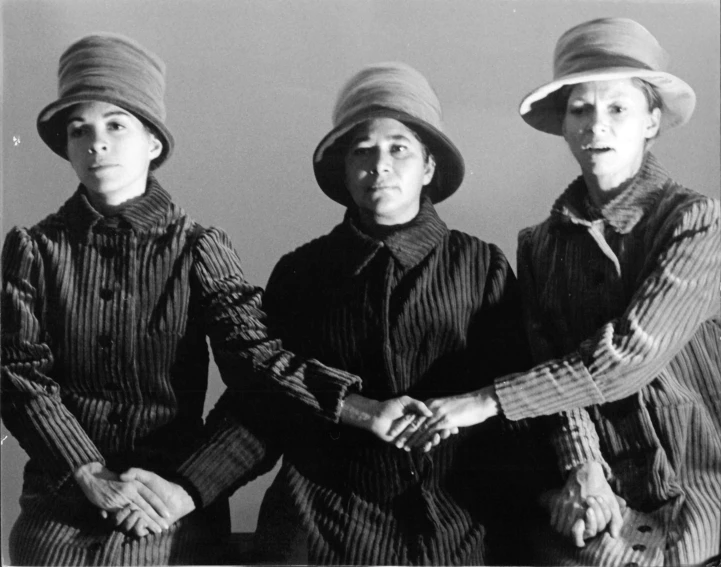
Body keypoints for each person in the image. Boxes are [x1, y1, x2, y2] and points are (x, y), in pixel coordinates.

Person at [0, 32, 386, 566]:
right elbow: (19, 375)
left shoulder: (198, 248)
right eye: (78, 130)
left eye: (116, 125)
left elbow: (259, 365)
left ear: (153, 144)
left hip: (167, 495)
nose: (97, 145)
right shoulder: (33, 250)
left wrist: (356, 408)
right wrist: (87, 473)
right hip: (64, 496)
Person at [403, 17, 721, 566]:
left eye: (618, 108)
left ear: (652, 121)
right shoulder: (541, 243)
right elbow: (552, 360)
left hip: (700, 472)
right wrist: (584, 471)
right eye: (581, 109)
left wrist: (485, 401)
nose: (597, 125)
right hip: (603, 484)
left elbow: (628, 357)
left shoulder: (694, 221)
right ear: (565, 124)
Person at [249, 62, 542, 565]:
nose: (379, 164)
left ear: (428, 167)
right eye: (362, 149)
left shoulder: (482, 265)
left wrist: (534, 502)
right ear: (344, 169)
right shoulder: (302, 270)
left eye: (398, 148)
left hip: (456, 514)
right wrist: (186, 490)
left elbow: (515, 397)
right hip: (321, 514)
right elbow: (266, 397)